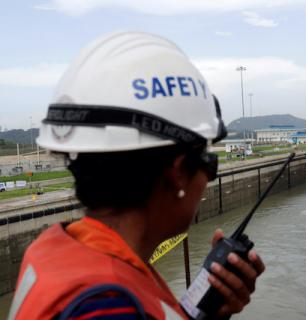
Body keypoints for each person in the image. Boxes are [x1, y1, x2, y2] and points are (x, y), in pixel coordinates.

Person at [8, 31, 265, 320]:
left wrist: (208, 313)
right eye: (209, 161)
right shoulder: (108, 305)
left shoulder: (54, 249)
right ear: (179, 173)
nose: (207, 180)